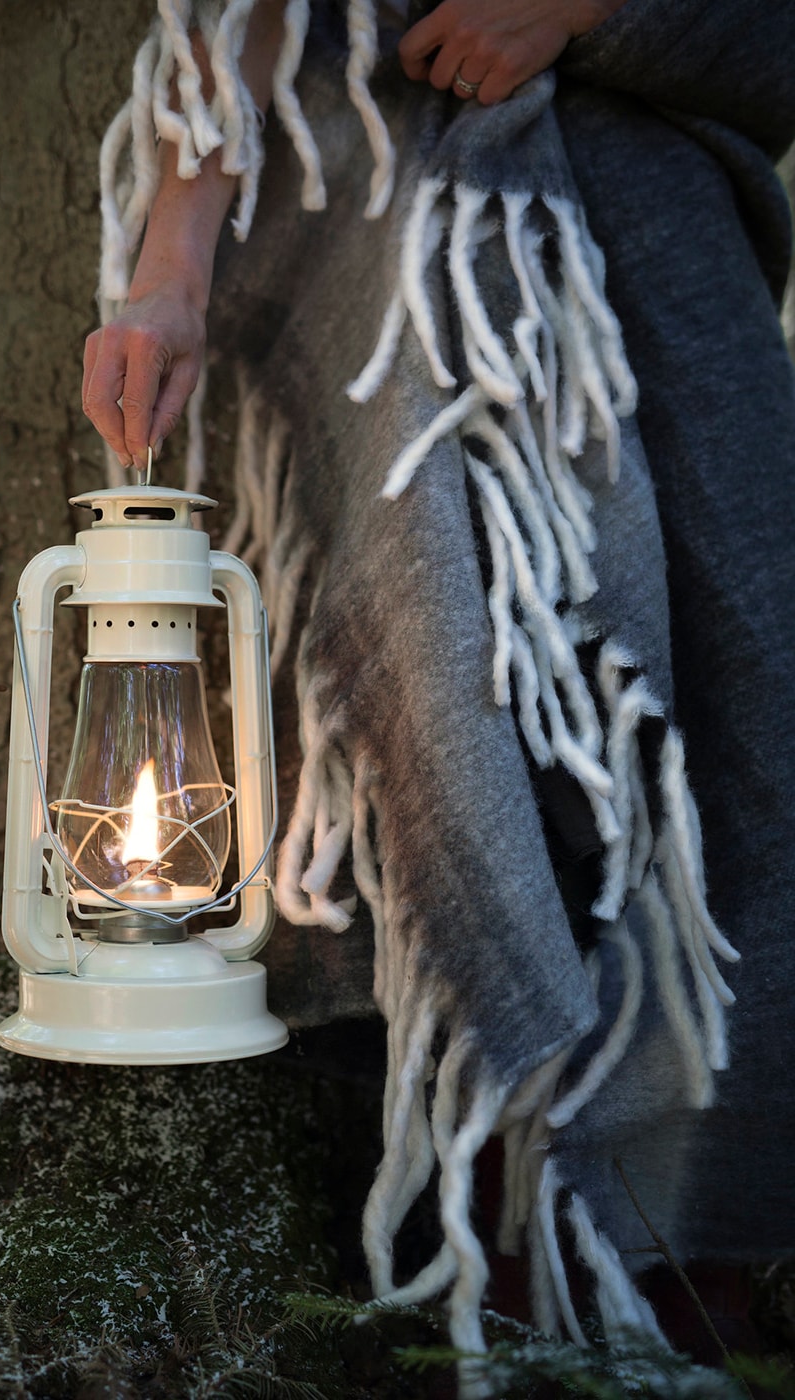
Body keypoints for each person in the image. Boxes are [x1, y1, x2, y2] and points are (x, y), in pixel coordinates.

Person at [83, 0, 795, 1385]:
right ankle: (503, 1239)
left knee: (735, 708)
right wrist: (169, 264)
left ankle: (688, 1242)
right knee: (449, 716)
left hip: (654, 214)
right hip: (388, 251)